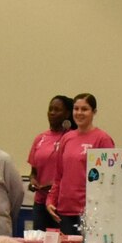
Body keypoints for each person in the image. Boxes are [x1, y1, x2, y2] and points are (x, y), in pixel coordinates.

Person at [50, 93, 114, 235]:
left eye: (84, 109)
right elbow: (59, 174)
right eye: (76, 109)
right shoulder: (67, 138)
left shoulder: (102, 139)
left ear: (94, 112)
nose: (79, 113)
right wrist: (51, 199)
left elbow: (109, 178)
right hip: (65, 209)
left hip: (90, 211)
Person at [27, 95, 73, 233]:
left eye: (57, 110)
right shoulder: (40, 138)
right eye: (50, 109)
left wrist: (55, 186)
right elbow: (33, 171)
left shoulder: (71, 138)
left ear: (67, 114)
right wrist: (33, 180)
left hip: (61, 204)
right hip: (40, 203)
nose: (52, 113)